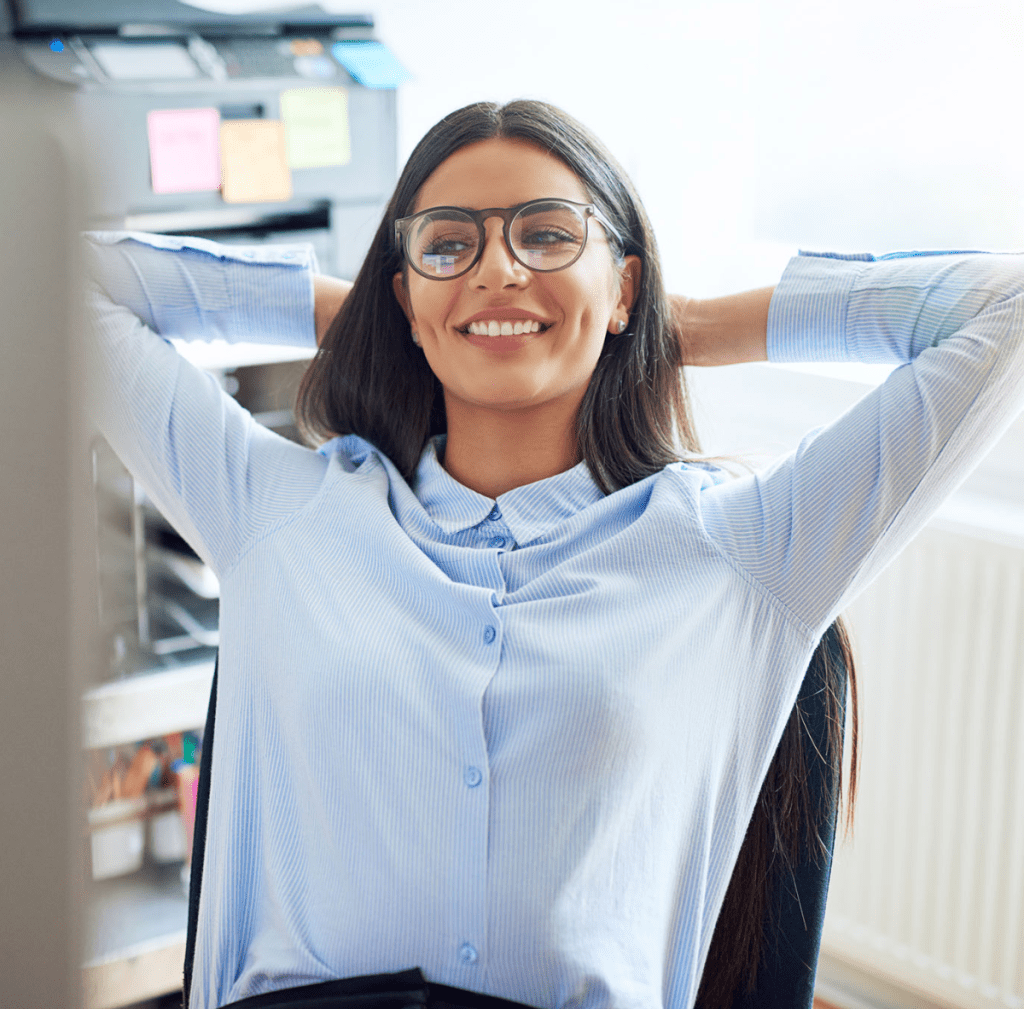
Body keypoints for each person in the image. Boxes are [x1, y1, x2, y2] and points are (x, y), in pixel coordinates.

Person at [82, 99, 1024, 1009]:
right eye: (449, 243)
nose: (497, 270)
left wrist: (681, 325)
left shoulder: (740, 551)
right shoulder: (279, 516)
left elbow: (1004, 307)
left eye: (547, 236)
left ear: (623, 284)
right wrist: (370, 311)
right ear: (403, 295)